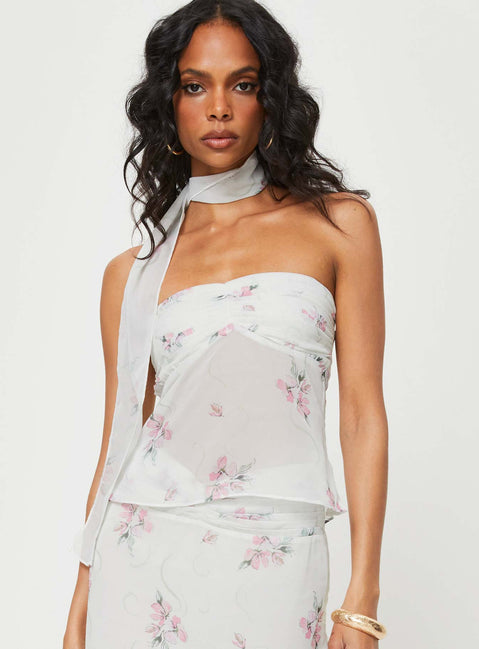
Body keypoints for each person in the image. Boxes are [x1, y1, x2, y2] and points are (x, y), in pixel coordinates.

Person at [63, 1, 388, 648]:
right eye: (194, 86)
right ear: (168, 103)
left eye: (242, 84)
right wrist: (80, 605)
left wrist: (361, 599)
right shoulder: (131, 273)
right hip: (141, 555)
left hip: (277, 550)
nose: (218, 108)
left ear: (270, 99)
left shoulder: (338, 225)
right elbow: (118, 442)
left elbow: (361, 413)